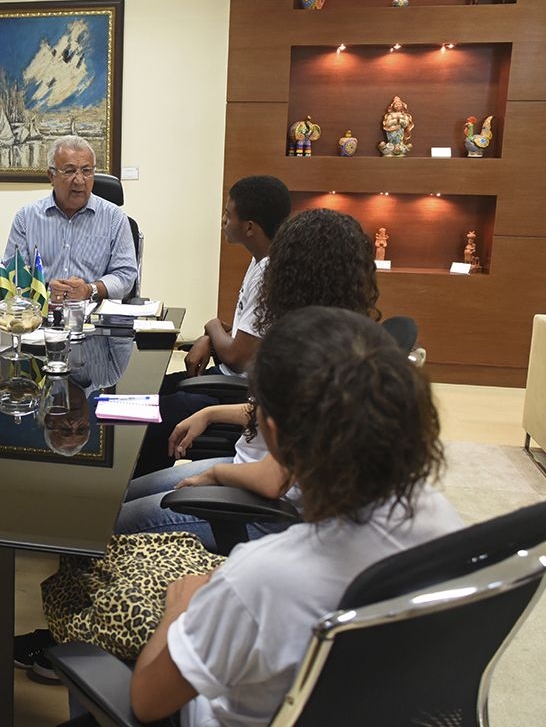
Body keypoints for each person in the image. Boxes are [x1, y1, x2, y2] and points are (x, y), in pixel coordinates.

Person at [129, 306, 463, 725]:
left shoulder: (261, 578)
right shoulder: (441, 519)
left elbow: (146, 702)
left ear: (274, 434)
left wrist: (179, 609)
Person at [118, 208, 381, 545]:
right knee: (120, 496)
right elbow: (284, 417)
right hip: (247, 468)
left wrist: (216, 473)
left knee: (111, 522)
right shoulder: (329, 334)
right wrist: (211, 413)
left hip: (268, 507)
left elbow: (277, 478)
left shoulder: (319, 357)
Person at [2, 135, 137, 304]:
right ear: (51, 176)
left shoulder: (114, 218)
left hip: (94, 313)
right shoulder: (26, 218)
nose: (79, 180)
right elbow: (12, 274)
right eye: (69, 171)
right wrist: (45, 291)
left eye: (86, 171)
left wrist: (89, 290)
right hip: (41, 312)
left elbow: (125, 275)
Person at [182, 175, 290, 379]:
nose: (223, 220)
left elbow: (237, 358)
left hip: (236, 387)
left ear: (249, 227)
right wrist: (209, 339)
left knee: (152, 392)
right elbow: (252, 337)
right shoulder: (261, 260)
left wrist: (213, 325)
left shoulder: (268, 274)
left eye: (228, 214)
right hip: (229, 378)